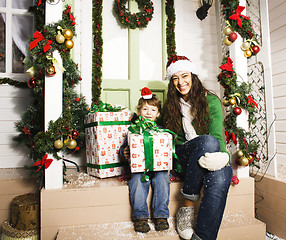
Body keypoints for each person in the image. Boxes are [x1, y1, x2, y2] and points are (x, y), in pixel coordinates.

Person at [162, 55, 233, 240]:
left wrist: (224, 156)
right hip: (183, 157)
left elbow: (218, 137)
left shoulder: (211, 102)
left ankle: (202, 237)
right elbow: (160, 132)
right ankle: (186, 205)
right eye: (175, 78)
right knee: (208, 142)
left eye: (184, 76)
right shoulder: (170, 105)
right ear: (171, 83)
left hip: (206, 154)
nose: (181, 82)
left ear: (193, 76)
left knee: (221, 173)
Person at [120, 87, 171, 233]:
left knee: (163, 180)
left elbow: (168, 149)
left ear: (158, 113)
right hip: (140, 169)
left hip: (159, 168)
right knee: (137, 182)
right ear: (138, 111)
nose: (149, 113)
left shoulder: (162, 132)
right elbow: (123, 148)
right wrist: (125, 153)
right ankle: (140, 217)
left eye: (153, 110)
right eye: (145, 109)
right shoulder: (133, 130)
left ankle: (161, 216)